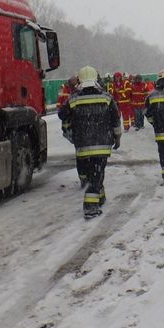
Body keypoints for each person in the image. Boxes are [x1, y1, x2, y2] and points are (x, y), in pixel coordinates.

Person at [58, 65, 121, 219]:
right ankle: (90, 207)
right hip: (102, 144)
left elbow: (62, 115)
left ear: (80, 80)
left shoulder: (73, 99)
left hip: (82, 145)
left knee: (94, 174)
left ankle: (100, 197)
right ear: (96, 79)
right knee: (97, 173)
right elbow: (115, 119)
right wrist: (117, 137)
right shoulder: (106, 98)